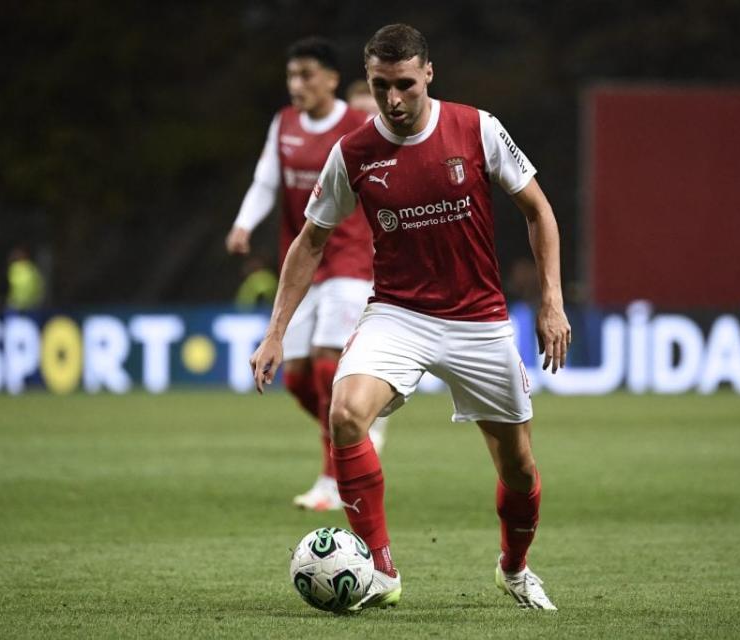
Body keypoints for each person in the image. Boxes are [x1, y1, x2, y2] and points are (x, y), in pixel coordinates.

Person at [250, 24, 570, 611]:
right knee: (345, 413)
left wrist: (551, 299)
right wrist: (276, 331)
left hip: (479, 319)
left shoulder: (477, 128)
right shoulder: (353, 153)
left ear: (428, 73)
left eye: (403, 84)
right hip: (397, 314)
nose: (393, 100)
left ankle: (514, 567)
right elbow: (309, 241)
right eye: (380, 86)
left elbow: (539, 211)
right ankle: (381, 569)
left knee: (519, 467)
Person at [226, 36, 388, 512]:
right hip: (302, 265)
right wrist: (242, 224)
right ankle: (361, 429)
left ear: (332, 80)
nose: (297, 85)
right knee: (295, 377)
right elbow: (265, 181)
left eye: (307, 76)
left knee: (324, 364)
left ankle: (332, 478)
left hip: (350, 261)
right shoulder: (284, 124)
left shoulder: (358, 125)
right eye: (292, 76)